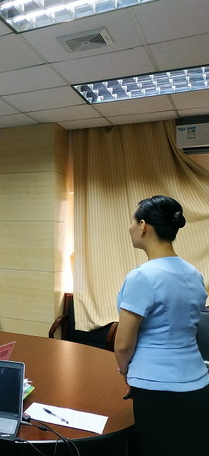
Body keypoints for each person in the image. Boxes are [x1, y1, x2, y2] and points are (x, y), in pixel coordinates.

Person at [114, 195, 209, 456]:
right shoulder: (194, 274)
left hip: (156, 388)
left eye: (133, 222)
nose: (130, 228)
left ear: (143, 225)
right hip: (199, 383)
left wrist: (125, 373)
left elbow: (123, 344)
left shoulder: (142, 277)